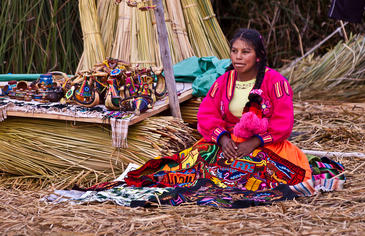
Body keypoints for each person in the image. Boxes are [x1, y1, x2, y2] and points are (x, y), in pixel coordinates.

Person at [197, 28, 312, 180]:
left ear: (258, 56)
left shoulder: (276, 82)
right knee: (199, 168)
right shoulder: (223, 82)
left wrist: (254, 142)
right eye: (234, 51)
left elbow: (283, 122)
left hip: (265, 145)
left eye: (245, 52)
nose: (238, 57)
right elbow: (206, 114)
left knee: (263, 175)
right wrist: (223, 140)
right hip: (229, 145)